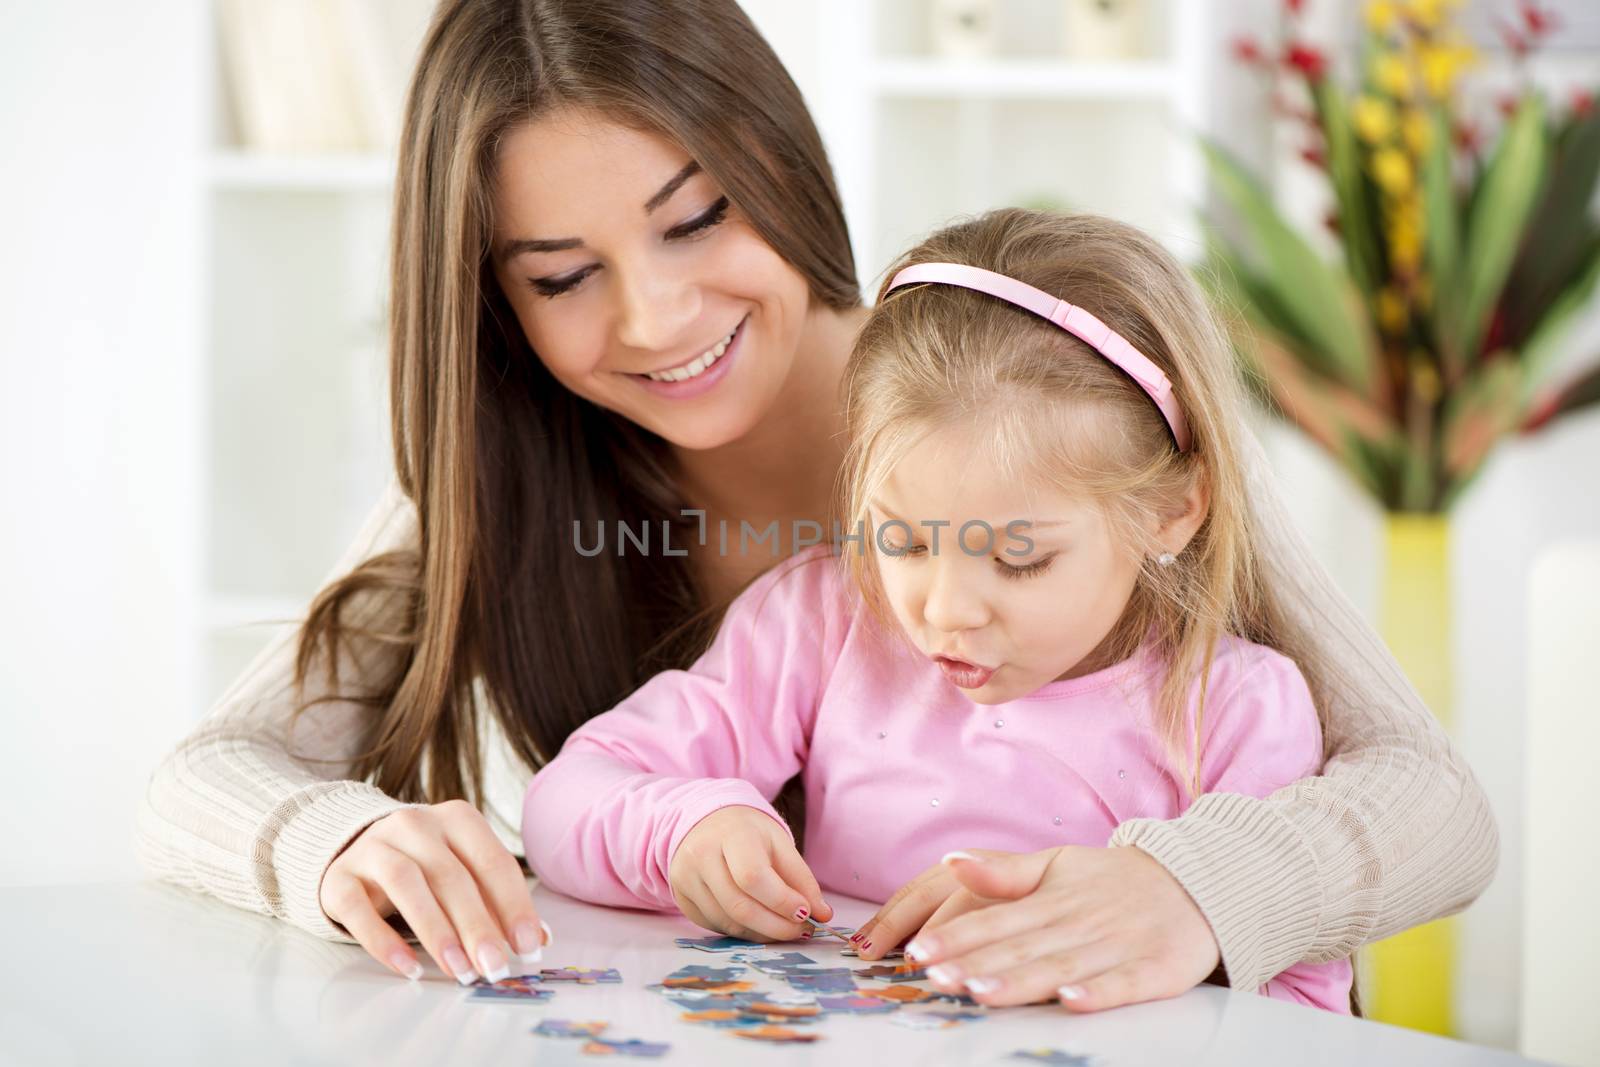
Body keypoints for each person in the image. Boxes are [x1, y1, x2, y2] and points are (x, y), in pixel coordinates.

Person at [137, 0, 1496, 1008]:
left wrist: (1196, 885)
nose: (658, 317)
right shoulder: (518, 484)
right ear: (495, 306)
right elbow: (204, 776)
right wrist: (349, 836)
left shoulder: (1038, 400)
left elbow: (1434, 801)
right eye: (562, 276)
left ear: (779, 161)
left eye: (697, 217)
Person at [521, 209, 1356, 1012]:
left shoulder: (1239, 708)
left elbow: (1294, 1016)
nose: (946, 610)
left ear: (1174, 509)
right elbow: (565, 800)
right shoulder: (824, 620)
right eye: (905, 540)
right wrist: (684, 826)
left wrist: (1094, 936)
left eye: (1017, 556)